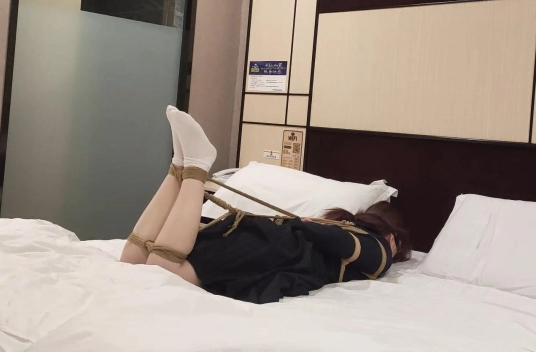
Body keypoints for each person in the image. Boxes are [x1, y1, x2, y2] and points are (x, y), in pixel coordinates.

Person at [120, 106, 411, 304]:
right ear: (391, 235)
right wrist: (310, 227)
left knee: (134, 262)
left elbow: (340, 242)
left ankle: (182, 164)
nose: (393, 256)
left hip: (263, 243)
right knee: (157, 270)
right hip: (270, 249)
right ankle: (192, 163)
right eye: (397, 246)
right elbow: (345, 243)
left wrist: (310, 226)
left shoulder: (364, 244)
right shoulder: (380, 249)